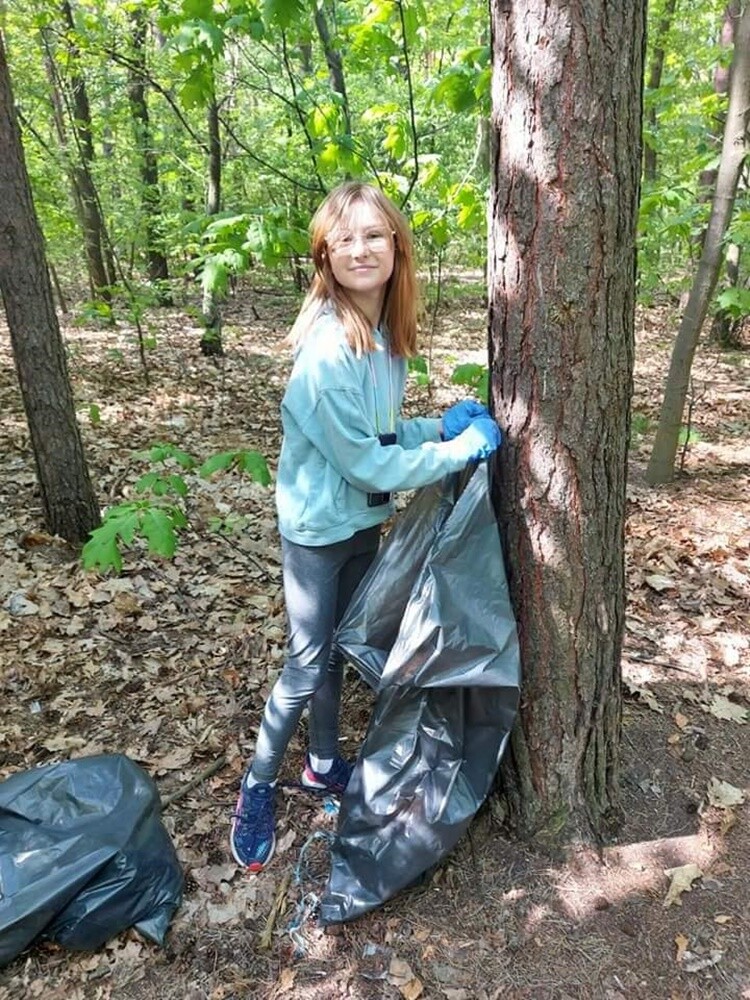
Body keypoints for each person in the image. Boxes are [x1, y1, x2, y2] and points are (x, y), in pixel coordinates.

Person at [230, 181, 501, 871]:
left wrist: (434, 427)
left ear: (397, 246)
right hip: (317, 530)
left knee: (336, 650)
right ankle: (257, 787)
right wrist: (458, 453)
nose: (360, 249)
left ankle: (322, 764)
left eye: (374, 235)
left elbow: (377, 434)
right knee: (304, 665)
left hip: (360, 521)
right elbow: (365, 462)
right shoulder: (328, 352)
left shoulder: (382, 338)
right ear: (324, 255)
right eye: (343, 239)